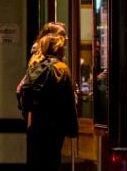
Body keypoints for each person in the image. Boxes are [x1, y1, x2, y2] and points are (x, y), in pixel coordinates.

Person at [24, 23, 78, 170]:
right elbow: (68, 100)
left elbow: (22, 90)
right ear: (57, 47)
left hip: (35, 122)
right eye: (63, 40)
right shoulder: (60, 68)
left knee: (37, 161)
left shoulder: (34, 63)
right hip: (55, 125)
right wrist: (72, 127)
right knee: (52, 160)